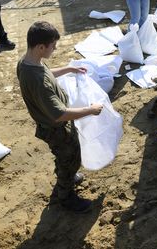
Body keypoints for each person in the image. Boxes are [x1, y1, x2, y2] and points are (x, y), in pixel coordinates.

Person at [17, 21, 101, 213]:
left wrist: (68, 69)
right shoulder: (37, 82)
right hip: (57, 129)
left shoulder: (27, 62)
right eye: (53, 45)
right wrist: (91, 110)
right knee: (70, 160)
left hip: (52, 127)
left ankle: (67, 178)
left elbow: (46, 72)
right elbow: (60, 114)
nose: (55, 48)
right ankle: (65, 196)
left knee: (65, 159)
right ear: (41, 47)